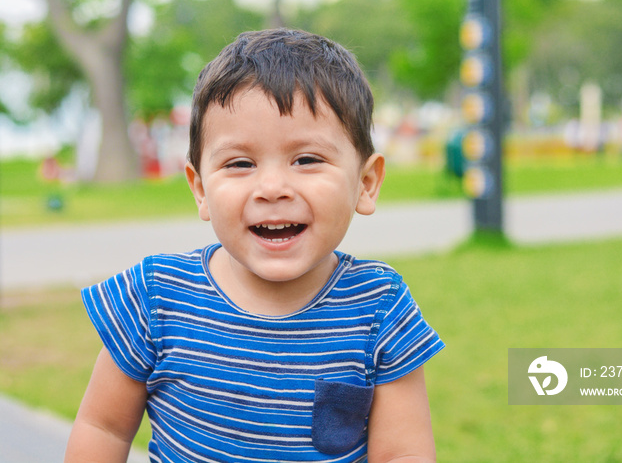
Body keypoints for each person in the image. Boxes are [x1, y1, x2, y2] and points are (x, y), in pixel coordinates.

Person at [65, 28, 444, 463]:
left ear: (366, 182)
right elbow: (102, 428)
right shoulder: (155, 298)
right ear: (201, 188)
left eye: (306, 159)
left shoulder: (379, 307)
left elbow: (403, 453)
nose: (271, 187)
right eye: (240, 163)